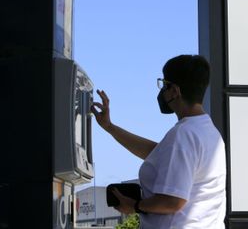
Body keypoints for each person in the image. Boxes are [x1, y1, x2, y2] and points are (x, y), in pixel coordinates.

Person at [91, 55, 227, 229]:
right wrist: (110, 127)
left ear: (175, 91)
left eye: (164, 85)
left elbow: (173, 201)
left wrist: (134, 206)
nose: (162, 91)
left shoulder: (184, 134)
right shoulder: (208, 132)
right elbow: (157, 153)